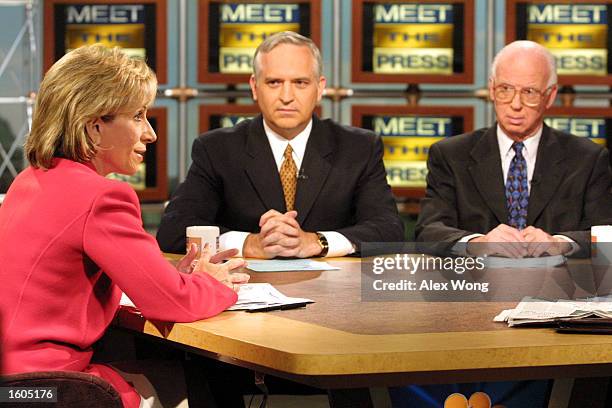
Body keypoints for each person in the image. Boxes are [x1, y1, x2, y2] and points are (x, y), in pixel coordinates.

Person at [0, 45, 249, 408]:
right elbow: (171, 303)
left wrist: (171, 279)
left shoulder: (32, 179)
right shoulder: (100, 197)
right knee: (201, 382)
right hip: (47, 390)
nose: (150, 133)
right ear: (94, 127)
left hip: (14, 385)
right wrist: (213, 283)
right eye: (137, 116)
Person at [156, 31, 403, 258]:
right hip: (245, 292)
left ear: (320, 88)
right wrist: (250, 244)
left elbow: (389, 231)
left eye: (300, 83)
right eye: (274, 82)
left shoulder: (358, 148)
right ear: (255, 87)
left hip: (336, 295)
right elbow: (174, 231)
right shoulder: (217, 150)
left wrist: (317, 242)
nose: (286, 96)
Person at [416, 40, 612, 257]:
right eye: (505, 89)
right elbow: (428, 231)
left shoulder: (587, 159)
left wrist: (561, 243)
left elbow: (605, 232)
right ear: (491, 89)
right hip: (474, 285)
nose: (515, 104)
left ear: (550, 95)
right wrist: (477, 243)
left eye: (529, 92)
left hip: (559, 286)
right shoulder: (451, 155)